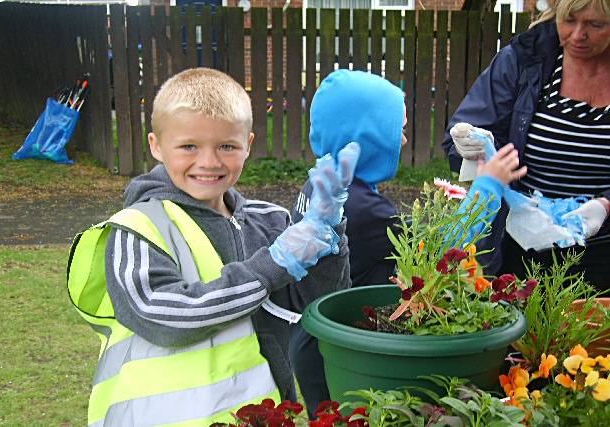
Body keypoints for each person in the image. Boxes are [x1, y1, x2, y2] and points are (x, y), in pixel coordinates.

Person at [66, 68, 358, 426]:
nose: (209, 162)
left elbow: (311, 304)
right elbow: (162, 318)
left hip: (262, 416)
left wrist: (327, 234)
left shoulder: (269, 220)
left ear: (248, 144)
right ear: (156, 145)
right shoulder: (136, 228)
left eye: (226, 146)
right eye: (189, 146)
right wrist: (271, 266)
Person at [290, 69, 527, 416]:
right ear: (367, 137)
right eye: (397, 130)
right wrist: (488, 187)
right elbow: (445, 251)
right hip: (342, 354)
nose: (403, 141)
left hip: (317, 340)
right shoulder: (358, 208)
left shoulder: (323, 184)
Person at [442, 0, 610, 291]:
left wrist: (607, 203)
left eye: (595, 25)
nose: (578, 34)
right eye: (569, 20)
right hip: (525, 245)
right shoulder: (526, 59)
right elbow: (467, 130)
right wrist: (470, 148)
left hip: (604, 251)